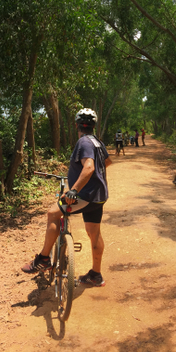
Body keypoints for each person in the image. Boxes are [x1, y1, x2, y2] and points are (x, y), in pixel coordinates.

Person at [22, 108, 112, 287]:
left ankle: (44, 259)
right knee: (94, 233)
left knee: (53, 213)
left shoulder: (84, 142)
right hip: (99, 196)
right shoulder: (97, 143)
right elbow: (107, 162)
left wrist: (75, 190)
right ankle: (96, 275)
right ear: (93, 126)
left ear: (77, 125)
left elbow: (89, 167)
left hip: (86, 195)